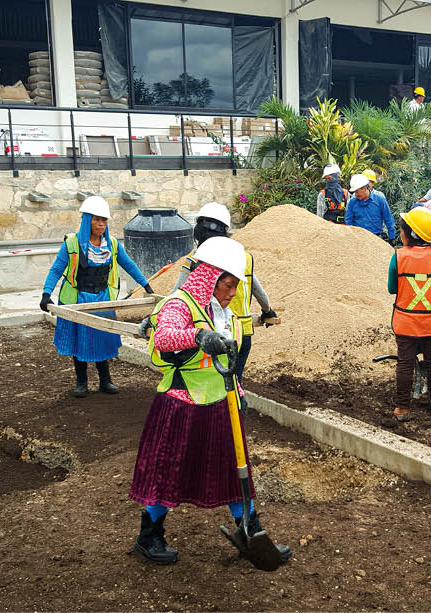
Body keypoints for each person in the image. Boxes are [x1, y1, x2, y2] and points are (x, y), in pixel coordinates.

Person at [130, 236, 292, 564]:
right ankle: (149, 537)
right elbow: (163, 337)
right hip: (181, 403)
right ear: (211, 278)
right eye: (228, 285)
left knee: (235, 471)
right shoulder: (181, 304)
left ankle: (251, 532)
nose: (233, 294)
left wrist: (240, 392)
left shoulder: (224, 312)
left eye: (236, 286)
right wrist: (198, 336)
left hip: (221, 403)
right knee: (170, 473)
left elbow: (228, 362)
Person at [40, 196, 152, 397]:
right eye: (97, 219)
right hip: (79, 299)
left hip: (102, 299)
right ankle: (81, 382)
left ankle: (105, 381)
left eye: (104, 220)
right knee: (79, 339)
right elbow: (56, 269)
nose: (101, 224)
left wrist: (146, 284)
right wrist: (46, 294)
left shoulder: (112, 245)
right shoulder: (72, 244)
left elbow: (129, 265)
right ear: (87, 220)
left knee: (102, 337)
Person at [173, 202, 279, 384]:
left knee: (209, 385)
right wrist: (267, 310)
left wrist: (154, 318)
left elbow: (176, 296)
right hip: (241, 333)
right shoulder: (242, 257)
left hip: (211, 335)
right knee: (234, 383)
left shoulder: (196, 260)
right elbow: (256, 289)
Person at [388, 208, 431, 421]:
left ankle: (403, 408)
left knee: (405, 363)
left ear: (411, 234)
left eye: (402, 229)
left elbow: (391, 288)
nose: (400, 232)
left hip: (405, 321)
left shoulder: (398, 257)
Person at [345, 173, 396, 241]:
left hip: (376, 238)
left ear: (365, 188)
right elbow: (348, 221)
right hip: (358, 238)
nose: (356, 194)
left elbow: (388, 219)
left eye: (357, 192)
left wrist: (392, 237)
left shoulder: (380, 200)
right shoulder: (352, 202)